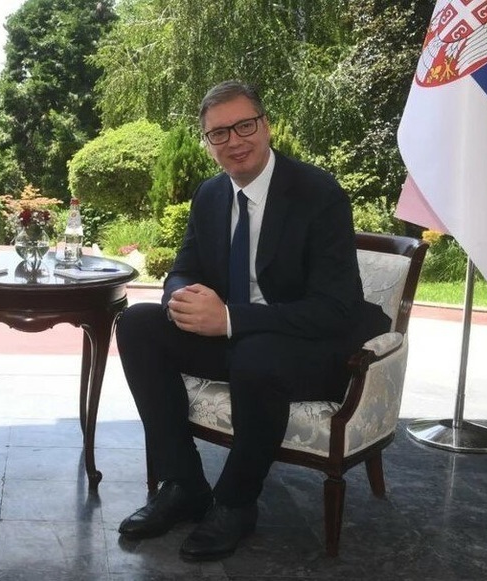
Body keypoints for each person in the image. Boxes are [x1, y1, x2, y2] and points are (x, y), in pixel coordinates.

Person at [115, 80, 388, 561]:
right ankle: (183, 485)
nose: (234, 141)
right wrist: (182, 297)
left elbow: (334, 308)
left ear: (266, 125)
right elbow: (183, 269)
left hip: (308, 346)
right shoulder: (210, 195)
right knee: (137, 323)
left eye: (245, 126)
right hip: (237, 340)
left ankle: (236, 503)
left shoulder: (318, 193)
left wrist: (230, 319)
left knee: (256, 354)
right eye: (219, 133)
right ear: (207, 143)